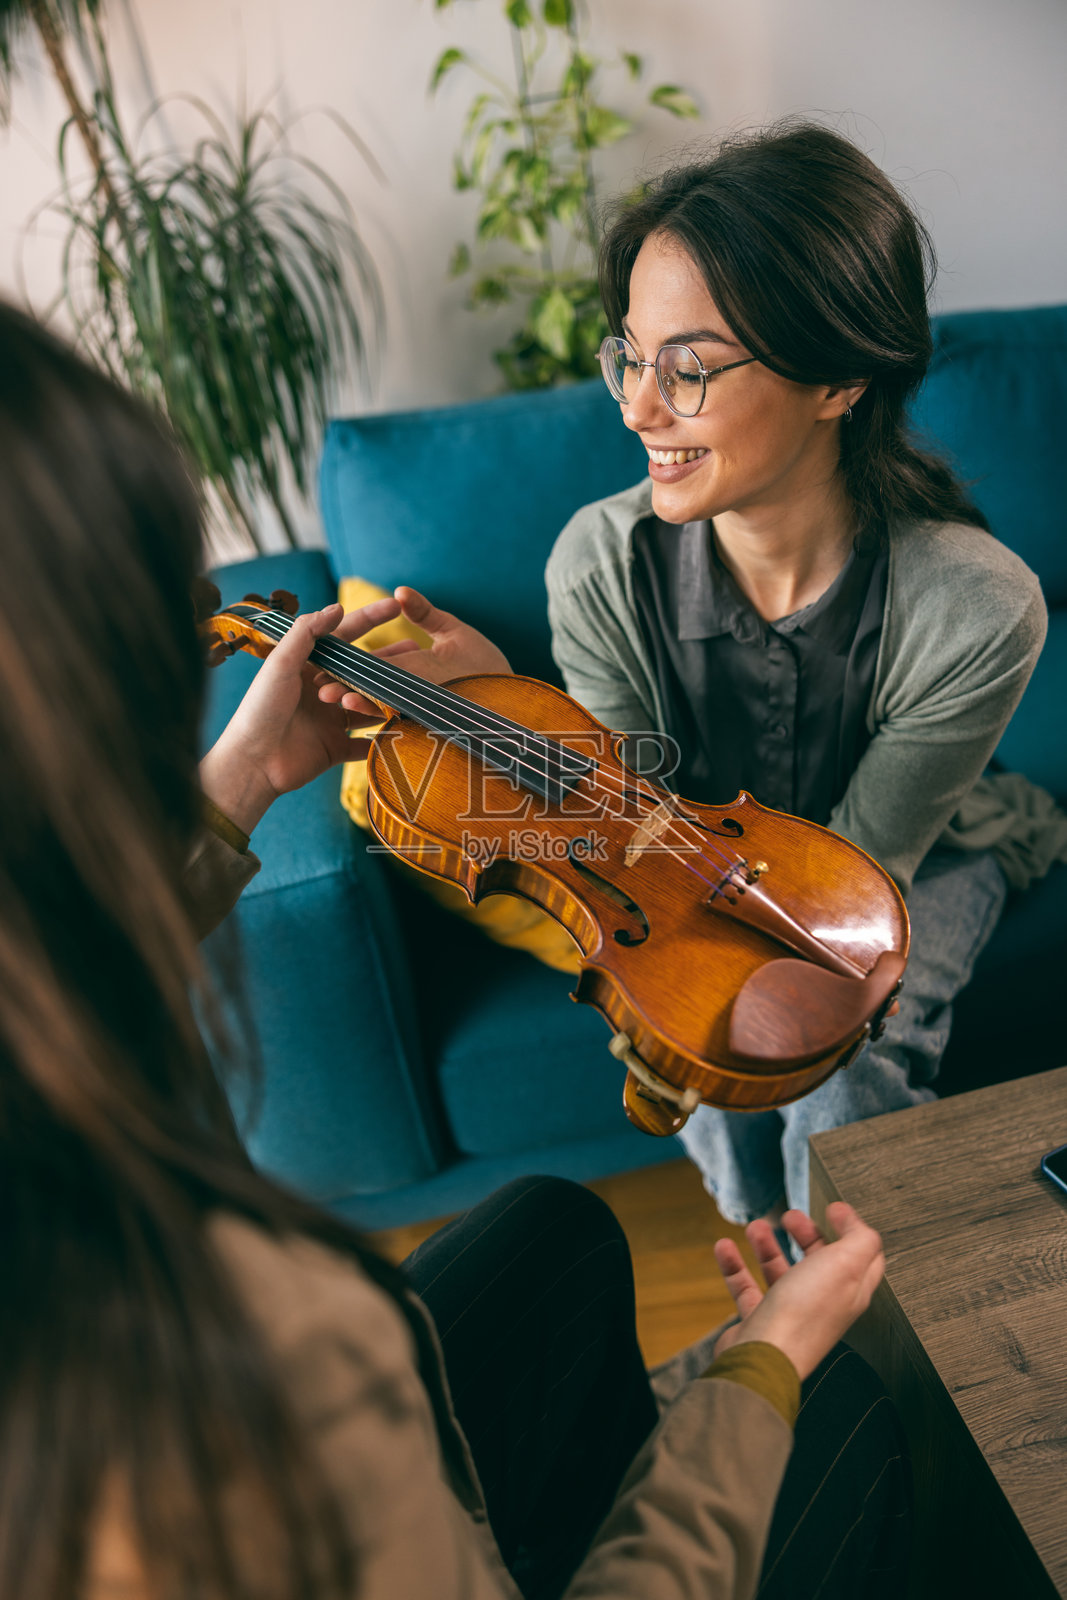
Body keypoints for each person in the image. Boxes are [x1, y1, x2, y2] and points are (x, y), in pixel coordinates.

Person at [0, 300, 910, 1598]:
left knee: (554, 1229)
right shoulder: (262, 1349)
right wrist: (766, 1359)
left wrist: (248, 774)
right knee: (851, 1418)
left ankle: (563, 1494)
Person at [539, 121, 1050, 1226]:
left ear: (838, 379)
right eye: (627, 352)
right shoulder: (596, 566)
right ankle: (765, 1276)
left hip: (911, 864)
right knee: (693, 1024)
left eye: (688, 368)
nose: (633, 407)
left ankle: (862, 1315)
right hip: (692, 875)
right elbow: (640, 840)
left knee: (843, 1056)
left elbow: (849, 891)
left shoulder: (977, 604)